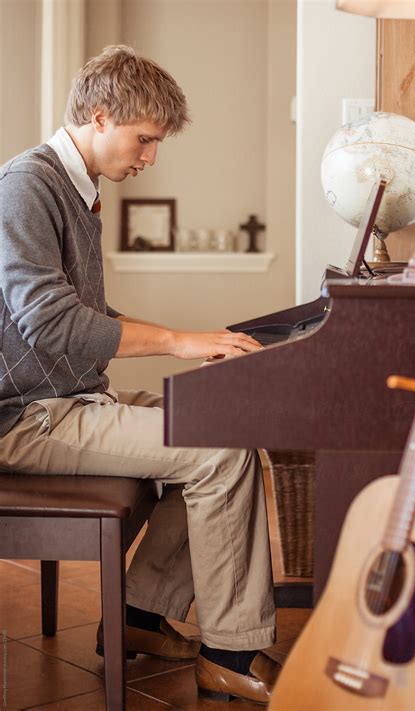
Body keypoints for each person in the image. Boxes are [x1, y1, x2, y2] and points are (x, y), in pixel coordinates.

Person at [0, 45, 279, 704]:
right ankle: (230, 653)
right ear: (100, 116)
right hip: (26, 418)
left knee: (213, 420)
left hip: (67, 398)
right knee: (220, 450)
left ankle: (140, 616)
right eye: (145, 138)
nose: (150, 156)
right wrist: (178, 340)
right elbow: (51, 324)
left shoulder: (74, 188)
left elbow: (83, 314)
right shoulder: (26, 187)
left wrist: (190, 345)